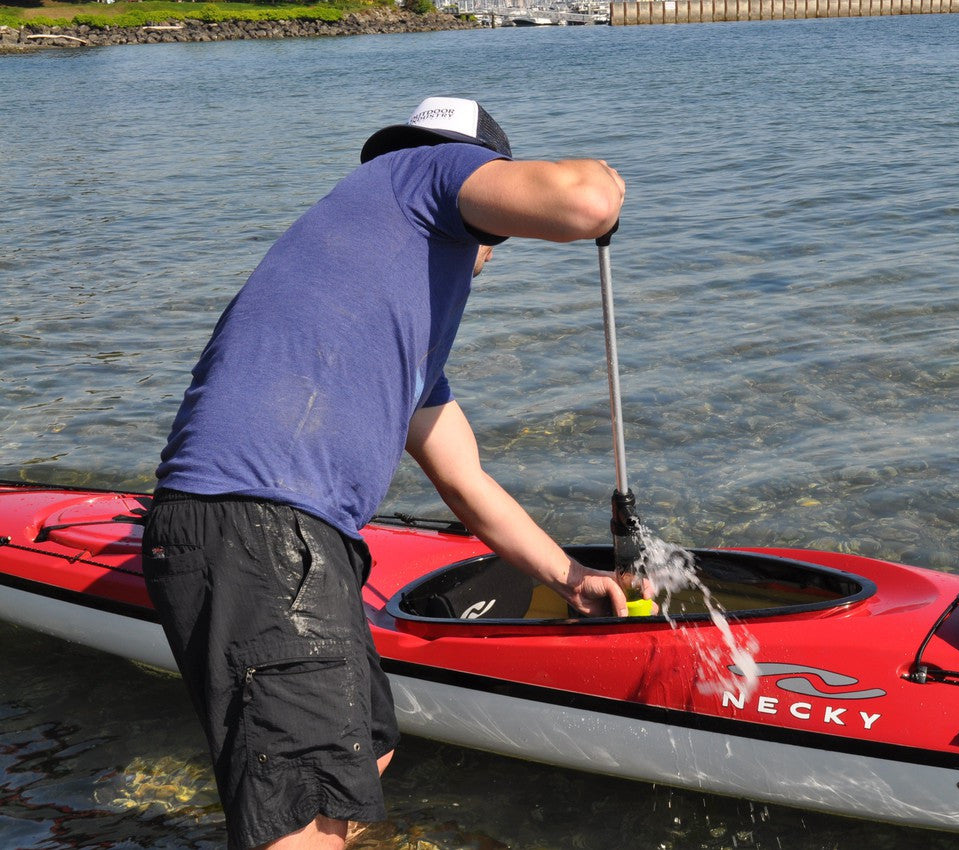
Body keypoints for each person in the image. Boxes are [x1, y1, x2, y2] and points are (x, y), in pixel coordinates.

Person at [141, 96, 628, 850]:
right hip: (260, 525)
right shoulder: (423, 170)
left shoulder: (396, 319)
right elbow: (585, 201)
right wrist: (605, 185)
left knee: (366, 748)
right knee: (305, 809)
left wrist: (569, 577)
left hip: (272, 534)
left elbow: (466, 482)